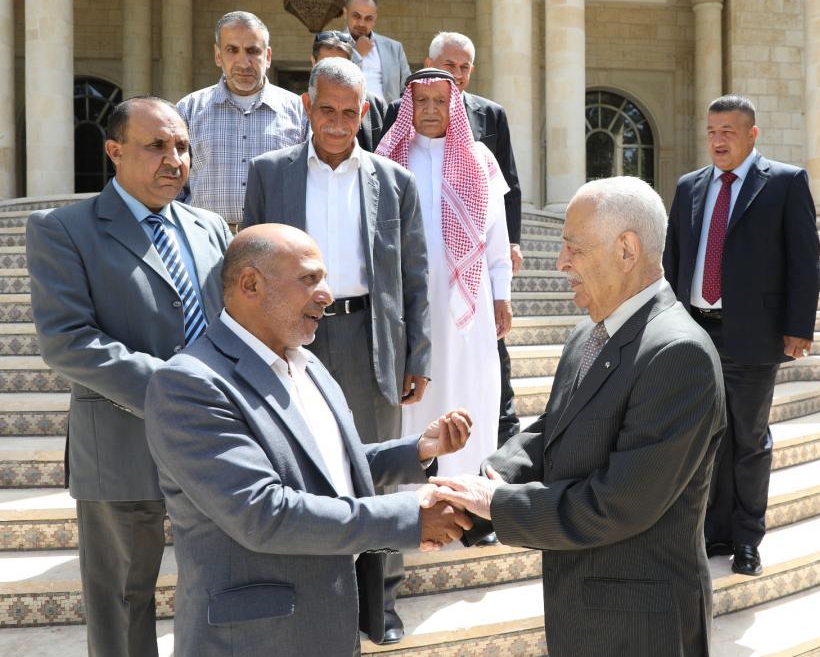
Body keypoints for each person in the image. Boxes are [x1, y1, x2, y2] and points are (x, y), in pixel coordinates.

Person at [144, 224, 473, 657]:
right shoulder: (191, 383)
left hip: (329, 625)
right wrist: (409, 516)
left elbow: (324, 469)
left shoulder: (307, 364)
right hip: (257, 640)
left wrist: (417, 451)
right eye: (309, 279)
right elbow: (263, 512)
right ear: (250, 284)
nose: (328, 295)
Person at [430, 177, 727, 657]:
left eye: (574, 247)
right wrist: (476, 489)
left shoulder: (679, 355)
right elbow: (553, 432)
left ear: (626, 250)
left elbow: (614, 505)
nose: (561, 262)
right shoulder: (587, 334)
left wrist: (498, 503)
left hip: (642, 630)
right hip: (581, 617)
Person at [25, 96, 232, 657]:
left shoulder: (210, 227)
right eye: (157, 146)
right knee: (122, 598)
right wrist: (175, 390)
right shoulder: (64, 229)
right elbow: (68, 341)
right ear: (114, 152)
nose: (175, 160)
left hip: (213, 443)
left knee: (222, 585)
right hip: (121, 444)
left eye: (182, 146)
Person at [242, 58, 430, 643]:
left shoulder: (394, 182)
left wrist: (417, 357)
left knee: (379, 477)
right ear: (307, 106)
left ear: (364, 113)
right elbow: (247, 268)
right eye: (326, 109)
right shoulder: (269, 173)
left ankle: (382, 603)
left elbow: (415, 276)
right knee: (297, 468)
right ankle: (310, 595)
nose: (337, 122)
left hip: (369, 339)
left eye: (350, 112)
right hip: (291, 337)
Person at [662, 94, 820, 576]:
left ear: (752, 135)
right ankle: (713, 532)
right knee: (704, 438)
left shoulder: (786, 182)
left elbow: (804, 260)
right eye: (712, 132)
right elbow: (672, 260)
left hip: (753, 334)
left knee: (749, 440)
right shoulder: (689, 186)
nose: (718, 141)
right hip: (695, 332)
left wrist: (798, 326)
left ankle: (748, 539)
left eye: (728, 132)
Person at [376, 68, 513, 480]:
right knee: (416, 399)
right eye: (422, 101)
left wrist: (502, 294)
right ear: (409, 106)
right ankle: (413, 493)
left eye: (440, 101)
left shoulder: (480, 158)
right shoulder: (387, 158)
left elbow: (497, 237)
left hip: (469, 303)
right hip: (408, 303)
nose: (431, 109)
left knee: (471, 388)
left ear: (454, 105)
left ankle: (469, 488)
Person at [176, 11, 305, 228]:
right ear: (218, 55)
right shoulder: (188, 109)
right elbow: (174, 180)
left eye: (253, 51)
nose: (244, 62)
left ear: (268, 56)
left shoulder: (299, 111)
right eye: (232, 50)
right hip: (206, 238)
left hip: (276, 239)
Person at [306, 30, 387, 152]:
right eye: (326, 65)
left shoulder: (375, 105)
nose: (333, 72)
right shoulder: (296, 107)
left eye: (349, 112)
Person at [344, 0, 411, 103]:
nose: (361, 23)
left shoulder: (394, 48)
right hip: (349, 112)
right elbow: (331, 82)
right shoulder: (332, 44)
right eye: (356, 16)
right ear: (345, 13)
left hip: (388, 113)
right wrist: (357, 55)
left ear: (375, 18)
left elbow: (408, 89)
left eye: (368, 18)